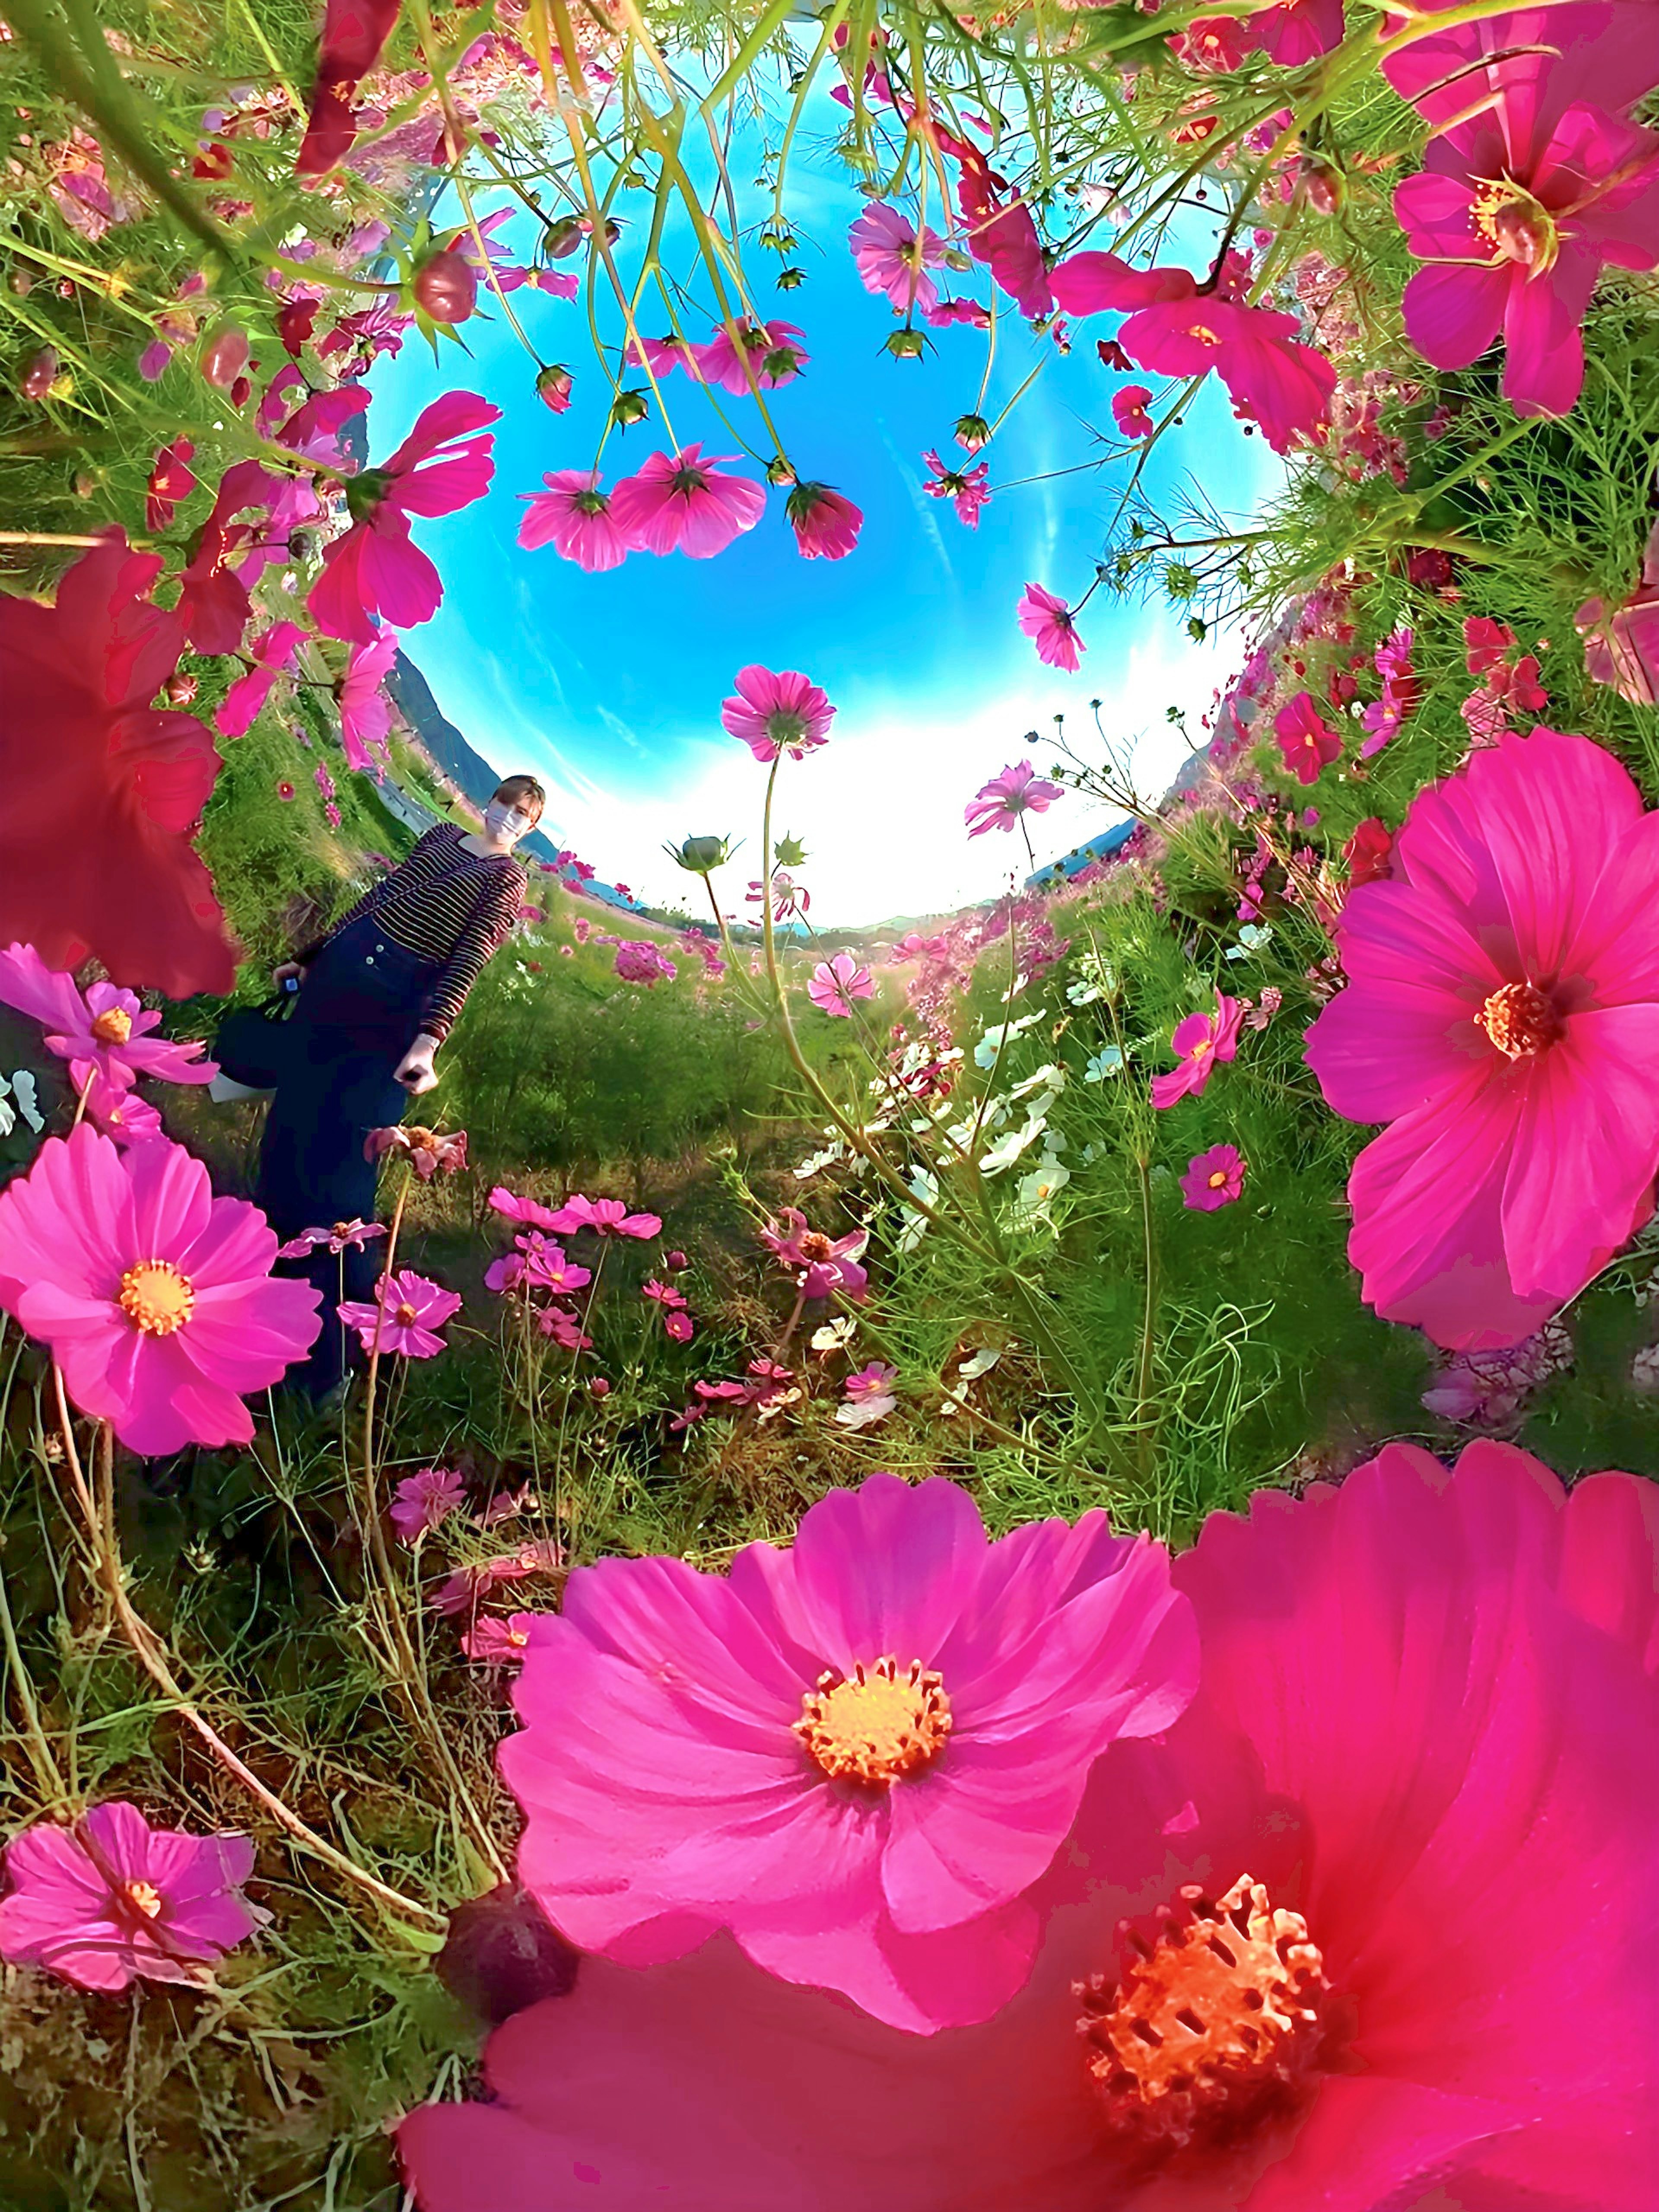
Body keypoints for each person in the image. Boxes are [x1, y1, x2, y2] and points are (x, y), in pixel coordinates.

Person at [253, 776, 544, 1398]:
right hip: (339, 978)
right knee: (288, 1133)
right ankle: (255, 1291)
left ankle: (328, 1366)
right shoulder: (441, 836)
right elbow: (381, 897)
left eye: (524, 814)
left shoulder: (506, 880)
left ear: (532, 828)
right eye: (506, 804)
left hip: (393, 1009)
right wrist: (311, 958)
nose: (509, 818)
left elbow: (471, 954)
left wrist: (428, 1039)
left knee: (343, 1178)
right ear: (488, 799)